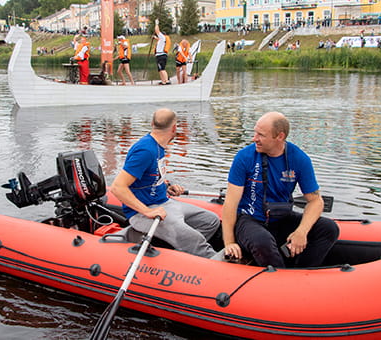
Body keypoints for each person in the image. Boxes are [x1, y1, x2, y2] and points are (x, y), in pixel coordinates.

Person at [221, 112, 340, 268]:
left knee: (329, 228)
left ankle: (303, 272)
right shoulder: (245, 157)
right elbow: (230, 203)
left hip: (280, 217)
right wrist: (229, 242)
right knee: (262, 241)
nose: (254, 138)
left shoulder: (299, 159)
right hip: (250, 219)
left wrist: (301, 232)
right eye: (255, 132)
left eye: (261, 135)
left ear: (280, 136)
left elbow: (315, 201)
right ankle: (281, 280)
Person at [111, 108, 220, 258]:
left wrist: (167, 186)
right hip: (144, 212)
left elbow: (150, 177)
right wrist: (148, 211)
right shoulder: (145, 150)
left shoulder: (158, 146)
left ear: (152, 124)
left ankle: (182, 255)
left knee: (210, 221)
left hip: (165, 203)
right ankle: (210, 263)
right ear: (175, 128)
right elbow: (118, 187)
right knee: (194, 239)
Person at [153, 20, 171, 85]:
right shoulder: (161, 39)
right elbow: (159, 39)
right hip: (159, 55)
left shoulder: (162, 37)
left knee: (162, 68)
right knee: (160, 69)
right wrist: (155, 38)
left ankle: (166, 80)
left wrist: (156, 23)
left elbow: (157, 30)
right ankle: (163, 81)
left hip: (161, 55)